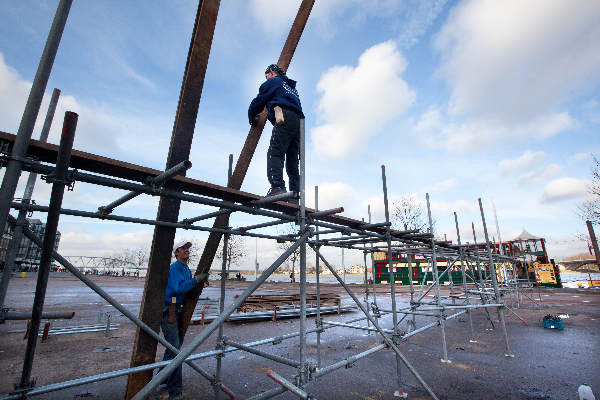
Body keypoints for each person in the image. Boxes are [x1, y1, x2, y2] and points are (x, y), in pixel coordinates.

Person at [248, 64, 304, 203]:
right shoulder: (291, 88)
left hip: (283, 115)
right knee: (292, 161)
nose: (266, 79)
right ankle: (294, 197)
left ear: (271, 73)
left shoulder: (274, 81)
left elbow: (258, 101)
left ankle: (277, 187)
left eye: (266, 76)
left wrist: (251, 116)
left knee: (275, 152)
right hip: (298, 123)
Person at [161, 241, 209, 400]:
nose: (186, 251)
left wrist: (199, 282)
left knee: (173, 347)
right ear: (176, 253)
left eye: (187, 248)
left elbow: (186, 288)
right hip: (170, 310)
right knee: (175, 351)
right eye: (183, 249)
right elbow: (178, 289)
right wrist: (196, 280)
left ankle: (162, 377)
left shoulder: (185, 269)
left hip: (177, 309)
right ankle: (175, 391)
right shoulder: (174, 268)